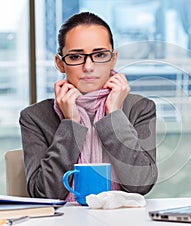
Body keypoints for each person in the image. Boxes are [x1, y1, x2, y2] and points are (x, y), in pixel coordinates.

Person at [19, 12, 158, 201]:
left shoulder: (139, 108)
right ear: (60, 63)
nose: (88, 66)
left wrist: (114, 115)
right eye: (76, 57)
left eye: (100, 55)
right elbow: (45, 194)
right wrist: (70, 124)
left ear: (113, 58)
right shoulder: (34, 117)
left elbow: (141, 184)